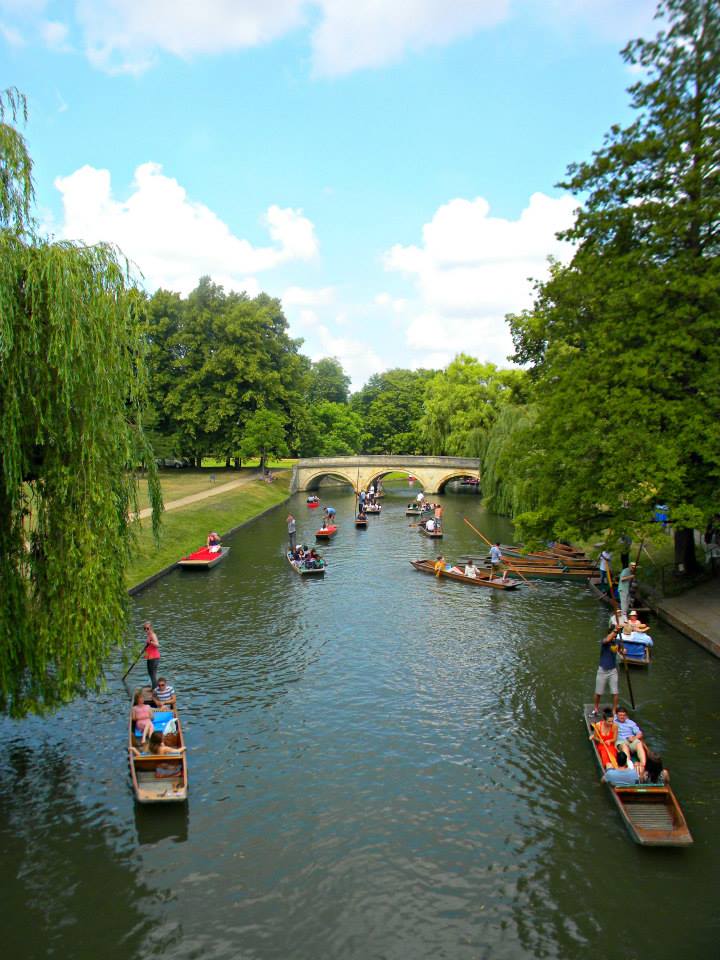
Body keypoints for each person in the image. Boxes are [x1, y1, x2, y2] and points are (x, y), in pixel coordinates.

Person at [592, 627, 622, 716]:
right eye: (613, 635)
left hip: (613, 670)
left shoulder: (617, 642)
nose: (614, 637)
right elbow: (607, 639)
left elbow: (620, 650)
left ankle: (614, 710)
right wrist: (615, 630)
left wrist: (623, 651)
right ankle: (596, 708)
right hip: (602, 670)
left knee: (615, 692)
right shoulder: (605, 641)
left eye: (615, 636)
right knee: (598, 692)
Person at [614, 707, 647, 773]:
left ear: (626, 715)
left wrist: (634, 738)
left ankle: (643, 764)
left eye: (624, 715)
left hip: (631, 741)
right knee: (624, 746)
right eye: (620, 715)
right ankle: (629, 766)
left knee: (639, 743)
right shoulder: (613, 722)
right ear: (617, 715)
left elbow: (640, 734)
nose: (622, 717)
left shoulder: (631, 723)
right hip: (621, 742)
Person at [143, 622, 161, 690]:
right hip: (150, 657)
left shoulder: (153, 635)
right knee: (151, 673)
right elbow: (149, 646)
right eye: (144, 628)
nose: (146, 630)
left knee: (152, 674)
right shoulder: (149, 635)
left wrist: (150, 642)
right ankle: (154, 688)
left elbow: (157, 645)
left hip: (154, 657)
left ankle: (155, 689)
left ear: (151, 628)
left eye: (147, 628)